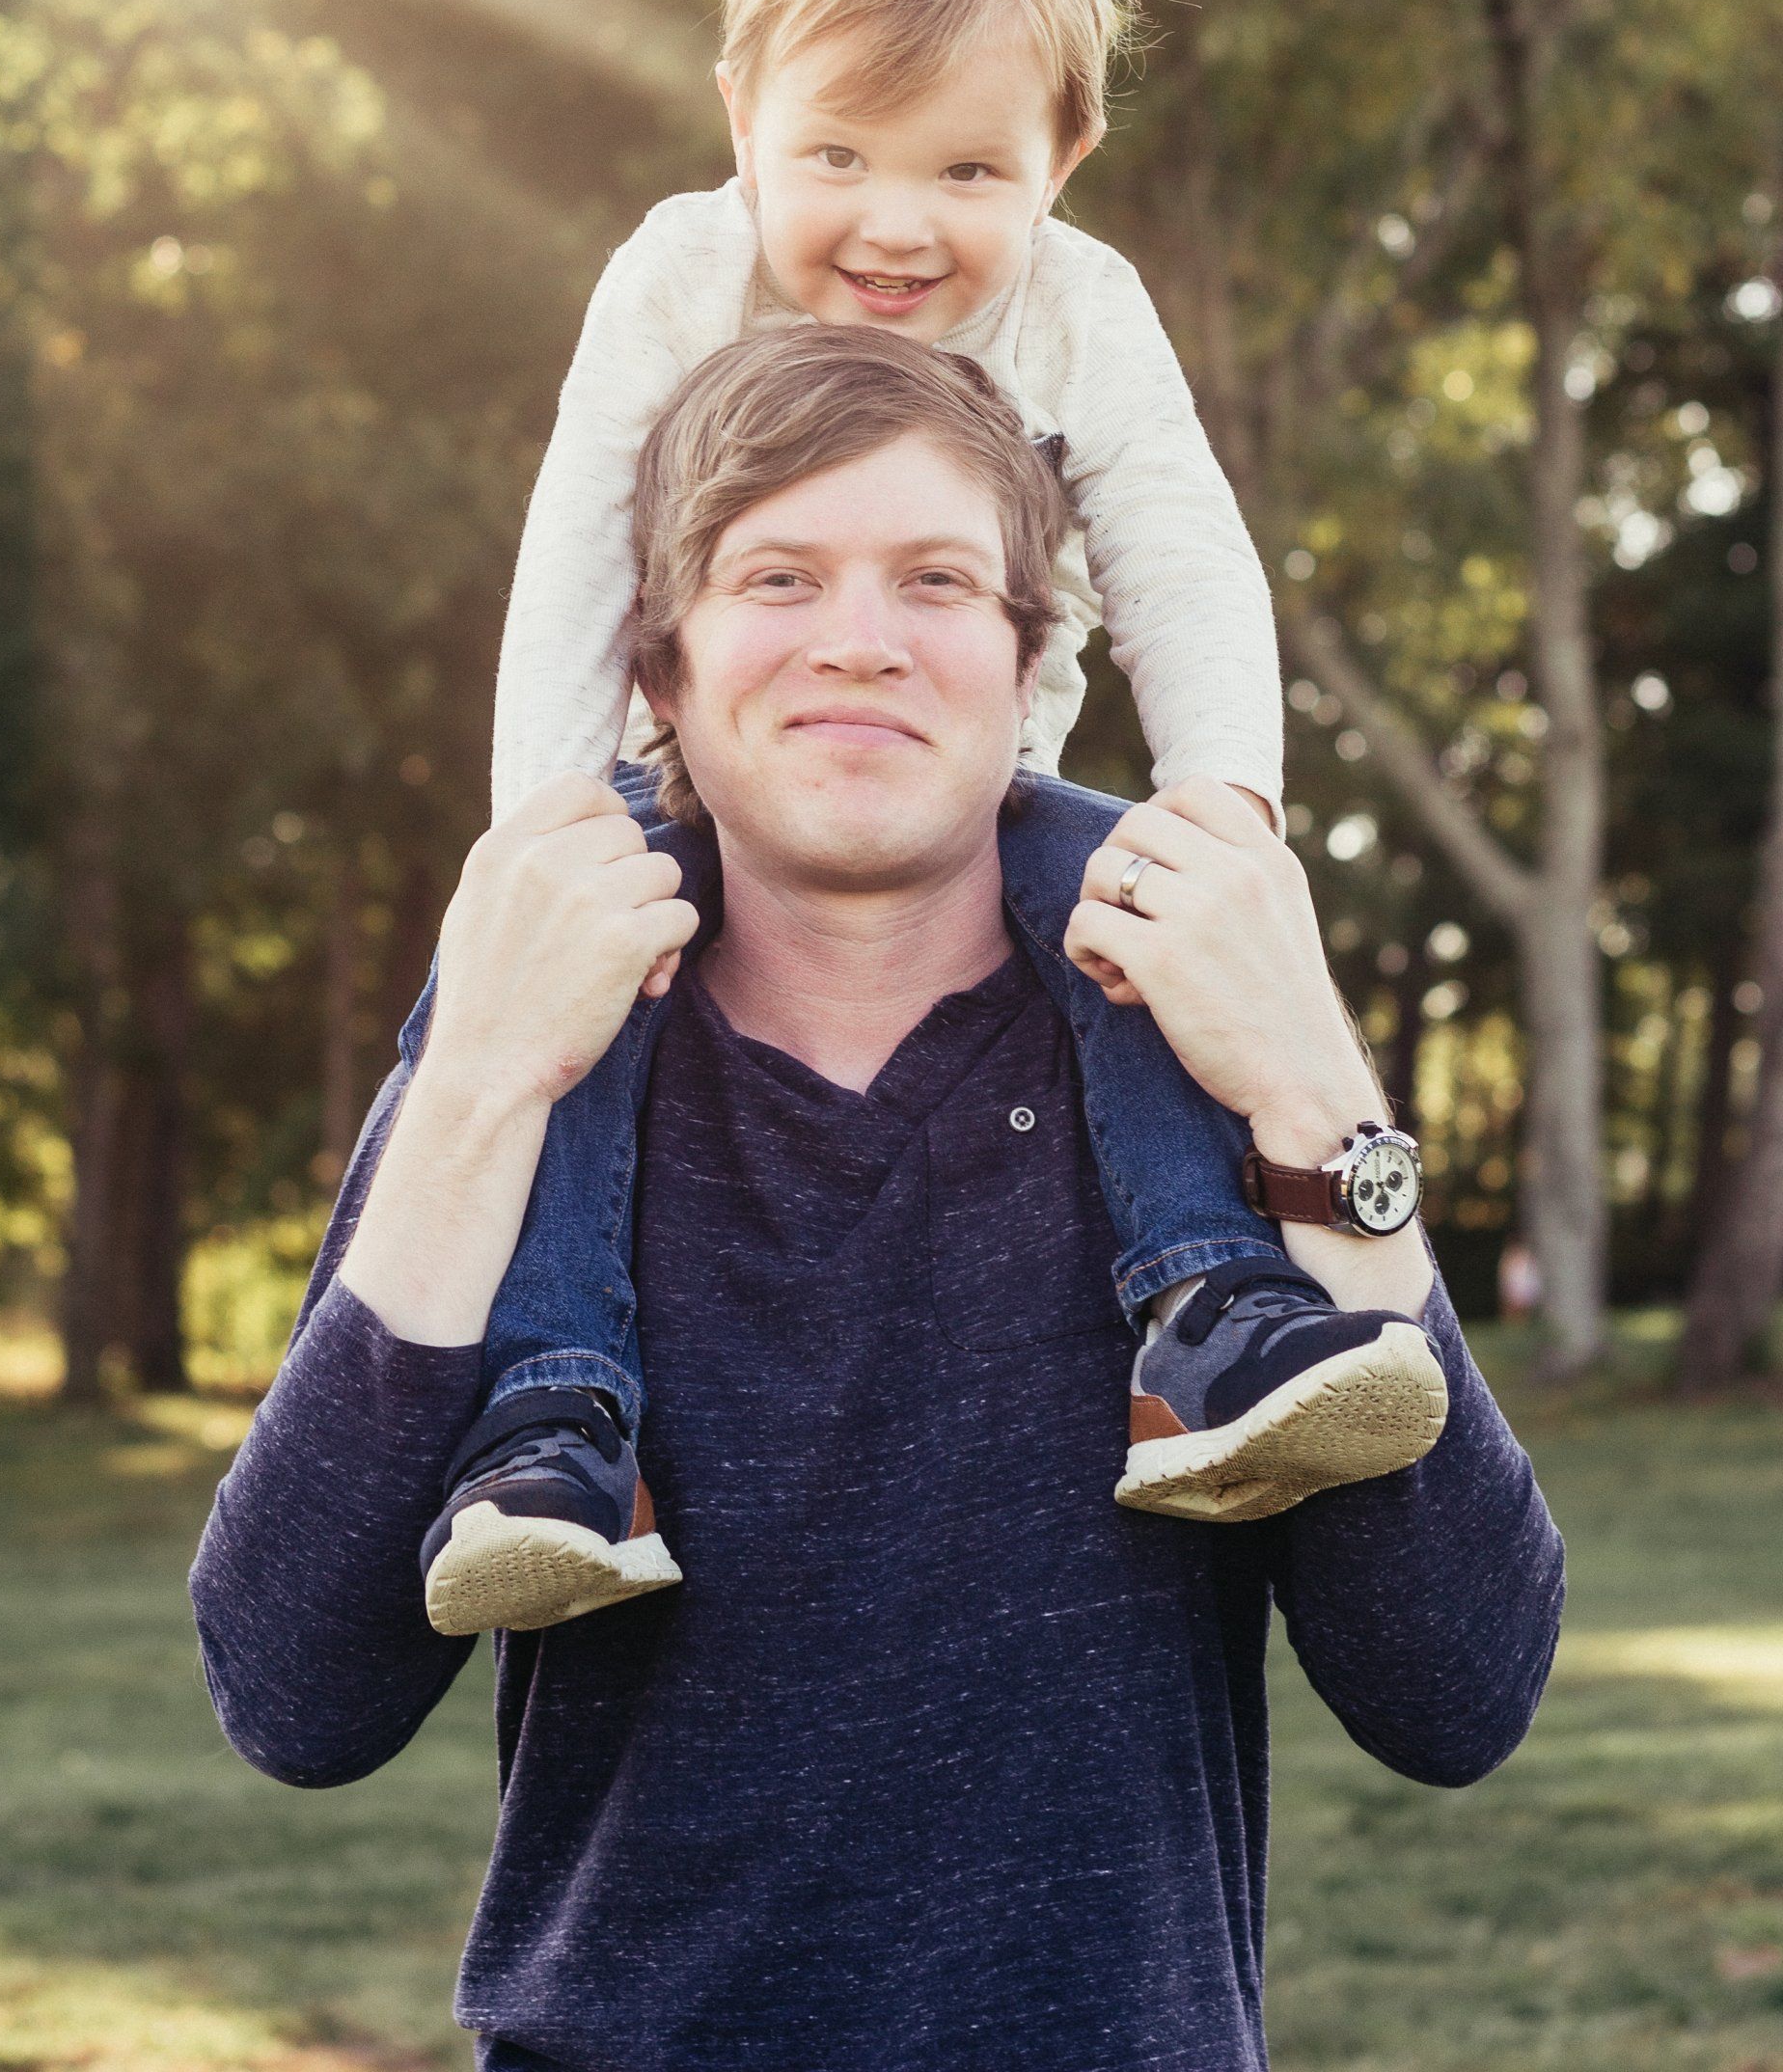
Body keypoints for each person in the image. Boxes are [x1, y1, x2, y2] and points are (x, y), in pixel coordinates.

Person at [189, 331, 1564, 2072]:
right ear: (665, 674)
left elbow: (1457, 1691)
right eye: (779, 575)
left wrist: (1315, 1092)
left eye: (936, 580)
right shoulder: (532, 1040)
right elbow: (297, 1695)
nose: (861, 638)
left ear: (1021, 661)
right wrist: (477, 1083)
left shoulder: (1198, 1035)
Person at [442, 0, 1444, 1633]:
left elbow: (1185, 559)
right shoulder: (680, 275)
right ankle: (552, 1412)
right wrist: (546, 824)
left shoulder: (1084, 307)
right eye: (834, 154)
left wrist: (1226, 812)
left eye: (971, 167)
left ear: (1066, 158)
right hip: (693, 788)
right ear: (740, 112)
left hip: (995, 804)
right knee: (591, 987)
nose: (897, 224)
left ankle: (1213, 1316)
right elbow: (580, 547)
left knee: (1121, 905)